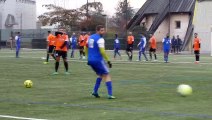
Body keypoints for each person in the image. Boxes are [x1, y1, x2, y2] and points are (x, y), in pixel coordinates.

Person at [84, 25, 115, 99]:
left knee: (100, 74)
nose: (103, 32)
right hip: (98, 60)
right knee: (107, 75)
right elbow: (102, 51)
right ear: (97, 30)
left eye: (103, 30)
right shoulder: (100, 39)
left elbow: (85, 47)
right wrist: (108, 60)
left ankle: (95, 92)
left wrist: (88, 57)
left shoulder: (90, 37)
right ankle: (110, 94)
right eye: (101, 30)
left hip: (91, 60)